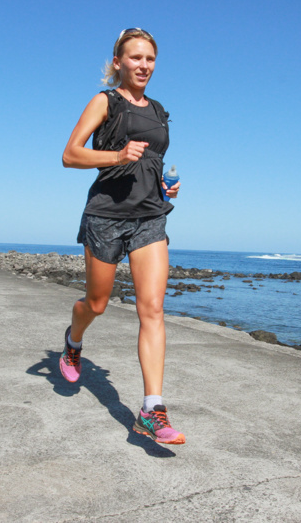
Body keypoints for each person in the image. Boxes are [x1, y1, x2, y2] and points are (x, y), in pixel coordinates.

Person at [60, 28, 184, 445]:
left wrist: (164, 186)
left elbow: (150, 162)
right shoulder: (105, 101)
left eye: (150, 58)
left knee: (153, 310)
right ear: (118, 62)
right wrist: (116, 155)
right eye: (135, 58)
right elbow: (70, 154)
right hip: (106, 217)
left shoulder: (159, 110)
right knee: (96, 303)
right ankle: (74, 340)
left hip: (150, 217)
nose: (144, 65)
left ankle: (152, 410)